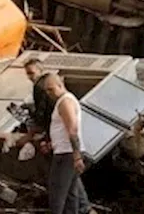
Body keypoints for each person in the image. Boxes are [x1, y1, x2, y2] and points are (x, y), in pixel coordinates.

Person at [45, 73, 91, 214]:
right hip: (64, 150)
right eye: (46, 90)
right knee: (71, 195)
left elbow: (72, 129)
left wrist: (76, 155)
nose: (49, 93)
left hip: (67, 153)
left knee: (57, 194)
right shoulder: (63, 101)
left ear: (61, 85)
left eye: (51, 89)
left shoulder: (65, 102)